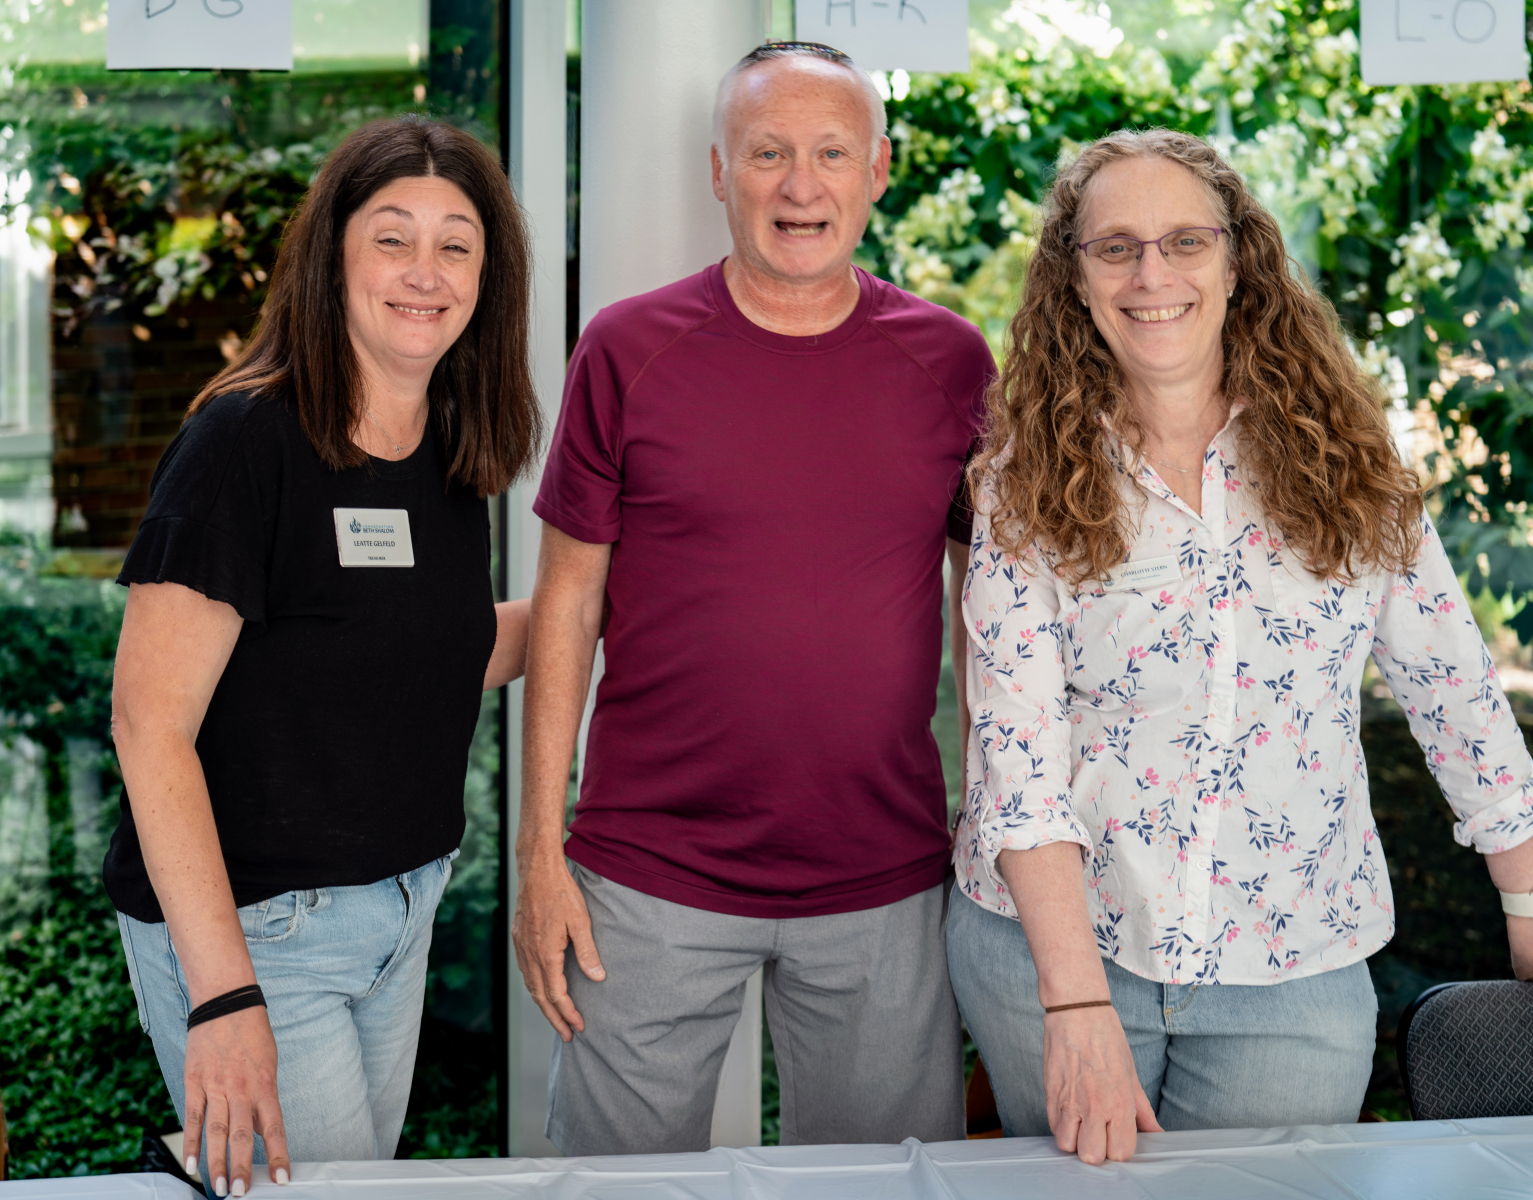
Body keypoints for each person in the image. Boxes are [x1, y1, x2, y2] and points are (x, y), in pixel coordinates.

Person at [945, 128, 1533, 1166]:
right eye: (1115, 248)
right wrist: (1073, 1005)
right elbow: (1017, 758)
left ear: (1238, 260)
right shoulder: (1022, 481)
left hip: (1294, 965)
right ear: (1074, 278)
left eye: (1185, 241)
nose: (1152, 274)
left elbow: (1453, 691)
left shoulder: (1346, 462)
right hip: (1055, 957)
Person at [512, 42, 994, 1155]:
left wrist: (986, 828)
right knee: (614, 1191)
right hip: (646, 872)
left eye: (831, 153)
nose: (800, 185)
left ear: (879, 169)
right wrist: (541, 851)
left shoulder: (953, 361)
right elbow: (567, 604)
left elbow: (992, 624)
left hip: (884, 877)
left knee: (883, 1192)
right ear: (720, 171)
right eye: (768, 153)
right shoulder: (625, 348)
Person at [106, 116, 542, 1197]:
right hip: (260, 927)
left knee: (342, 1187)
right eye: (392, 238)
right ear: (331, 257)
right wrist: (224, 997)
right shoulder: (244, 443)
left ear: (487, 278)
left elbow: (433, 650)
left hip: (401, 909)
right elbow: (148, 724)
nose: (425, 273)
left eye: (456, 246)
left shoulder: (448, 449)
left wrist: (604, 604)